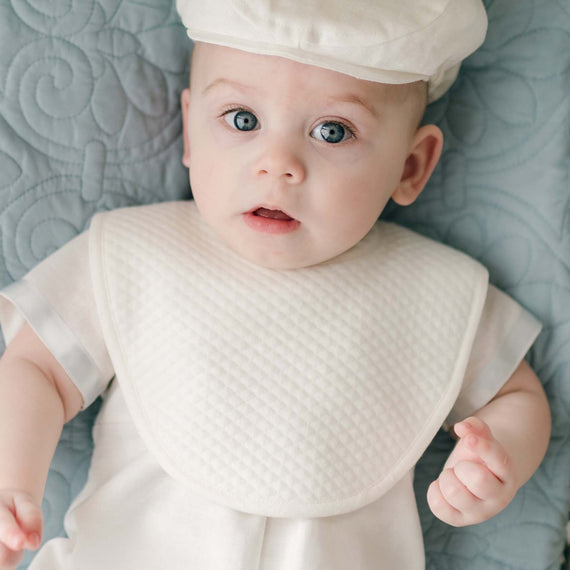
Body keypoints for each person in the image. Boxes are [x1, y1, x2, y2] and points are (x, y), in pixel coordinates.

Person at [0, 0, 551, 568]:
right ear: (190, 131)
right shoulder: (132, 253)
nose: (278, 163)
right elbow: (37, 369)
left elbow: (516, 397)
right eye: (242, 120)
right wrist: (11, 482)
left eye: (332, 131)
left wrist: (494, 455)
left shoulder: (435, 290)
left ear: (411, 167)